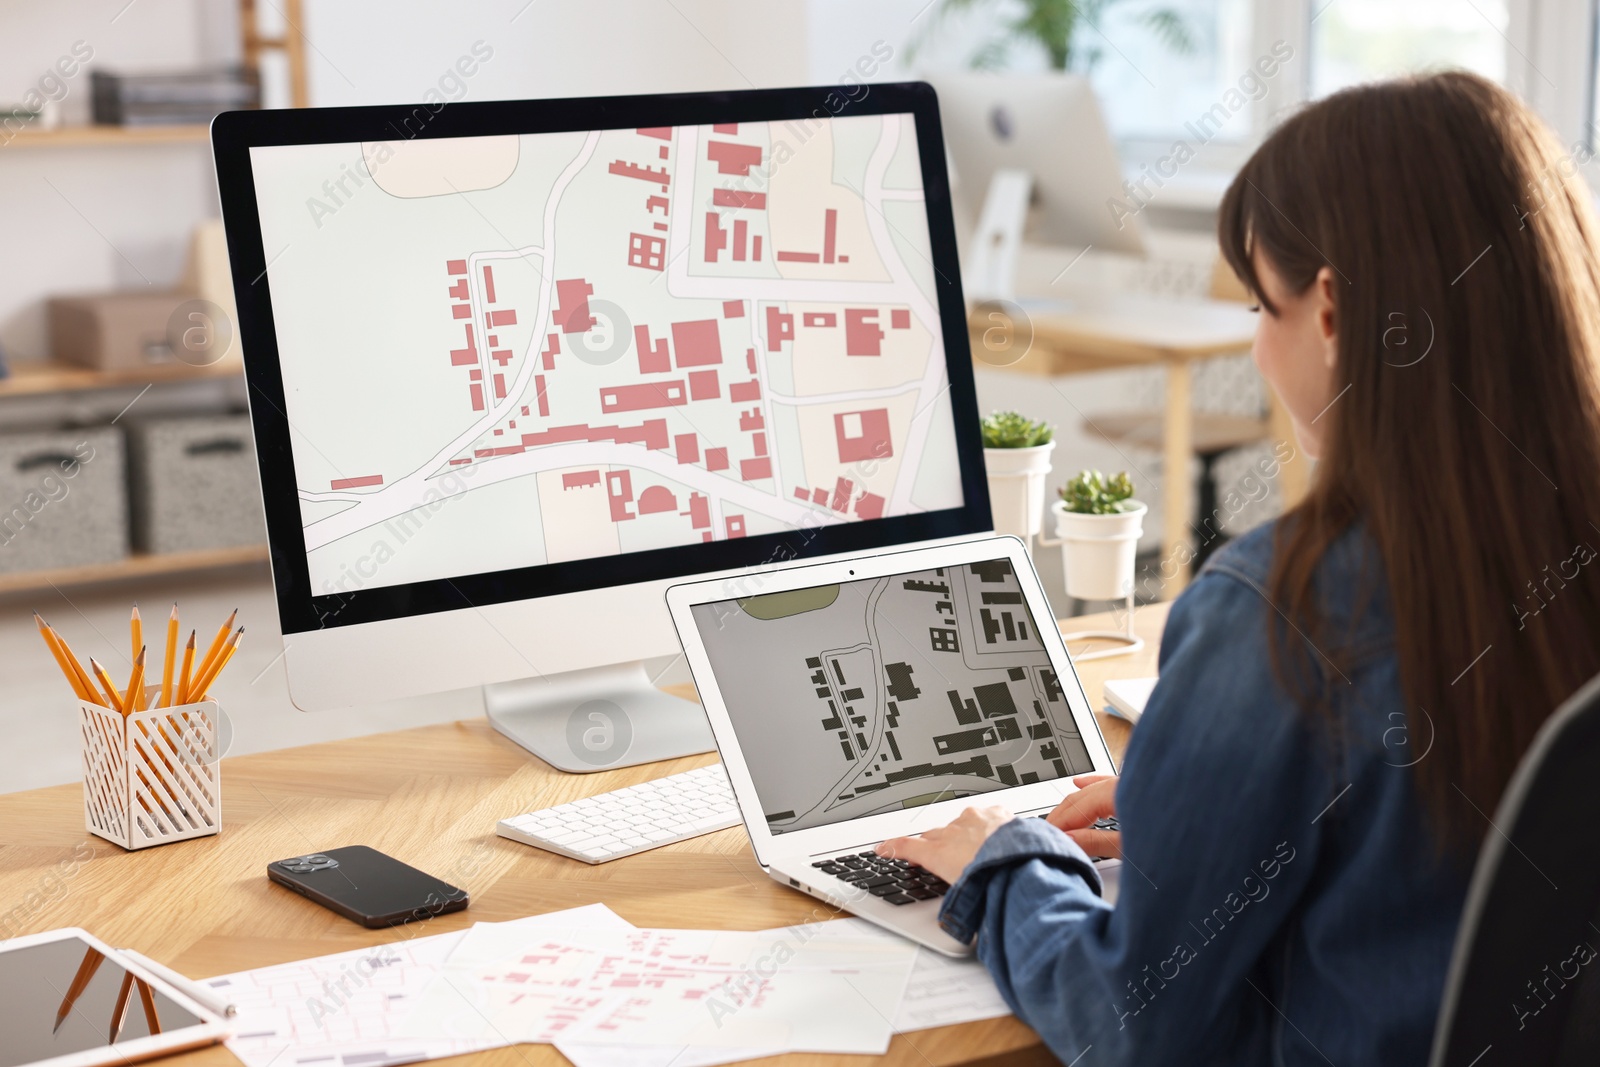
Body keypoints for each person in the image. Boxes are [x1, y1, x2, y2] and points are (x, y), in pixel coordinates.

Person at [880, 70, 1600, 1065]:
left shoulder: (1285, 611)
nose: (1259, 348)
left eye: (1264, 306)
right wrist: (1201, 830)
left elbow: (1134, 1019)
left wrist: (1001, 865)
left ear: (1334, 311)